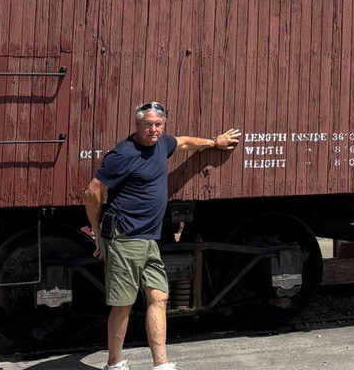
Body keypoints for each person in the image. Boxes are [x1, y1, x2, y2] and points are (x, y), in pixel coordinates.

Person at [84, 101, 241, 370]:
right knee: (123, 304)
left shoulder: (161, 143)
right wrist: (98, 233)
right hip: (125, 238)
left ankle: (161, 364)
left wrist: (214, 142)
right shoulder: (123, 154)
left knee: (159, 297)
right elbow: (92, 192)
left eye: (158, 124)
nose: (153, 130)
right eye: (148, 125)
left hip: (149, 240)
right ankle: (115, 364)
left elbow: (181, 143)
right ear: (137, 126)